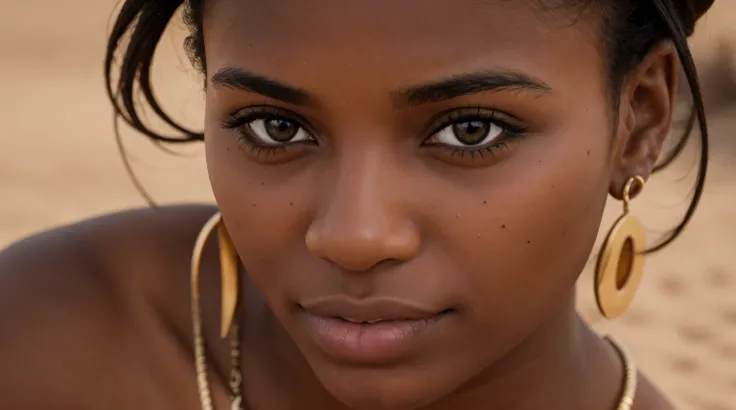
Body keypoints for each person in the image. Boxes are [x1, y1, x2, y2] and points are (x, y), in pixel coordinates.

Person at [0, 0, 717, 409]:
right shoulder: (49, 341)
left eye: (470, 131)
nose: (353, 236)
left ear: (640, 120)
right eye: (276, 127)